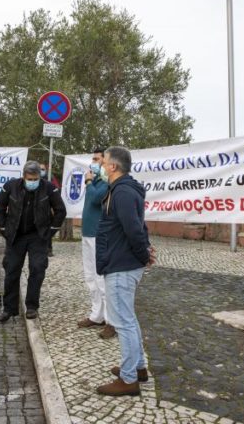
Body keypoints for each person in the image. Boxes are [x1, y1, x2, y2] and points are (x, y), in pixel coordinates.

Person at [95, 146, 156, 396]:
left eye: (103, 161)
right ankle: (138, 367)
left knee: (123, 322)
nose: (99, 165)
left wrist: (143, 254)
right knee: (128, 318)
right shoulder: (121, 189)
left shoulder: (122, 192)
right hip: (121, 261)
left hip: (122, 265)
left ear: (112, 167)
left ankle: (129, 379)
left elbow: (134, 228)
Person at [0, 160, 66, 322]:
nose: (33, 182)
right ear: (23, 176)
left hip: (38, 236)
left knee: (37, 269)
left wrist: (50, 232)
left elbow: (60, 211)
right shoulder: (10, 186)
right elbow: (0, 208)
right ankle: (9, 309)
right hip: (15, 236)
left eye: (35, 179)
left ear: (39, 177)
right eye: (30, 179)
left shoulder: (48, 188)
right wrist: (4, 229)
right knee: (11, 270)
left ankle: (32, 306)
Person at [77, 149, 114, 340]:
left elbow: (94, 200)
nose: (93, 162)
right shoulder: (96, 183)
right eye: (92, 159)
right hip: (87, 234)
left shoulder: (106, 183)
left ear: (105, 163)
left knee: (101, 278)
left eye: (97, 159)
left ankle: (111, 321)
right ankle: (96, 315)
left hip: (99, 235)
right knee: (90, 276)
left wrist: (89, 181)